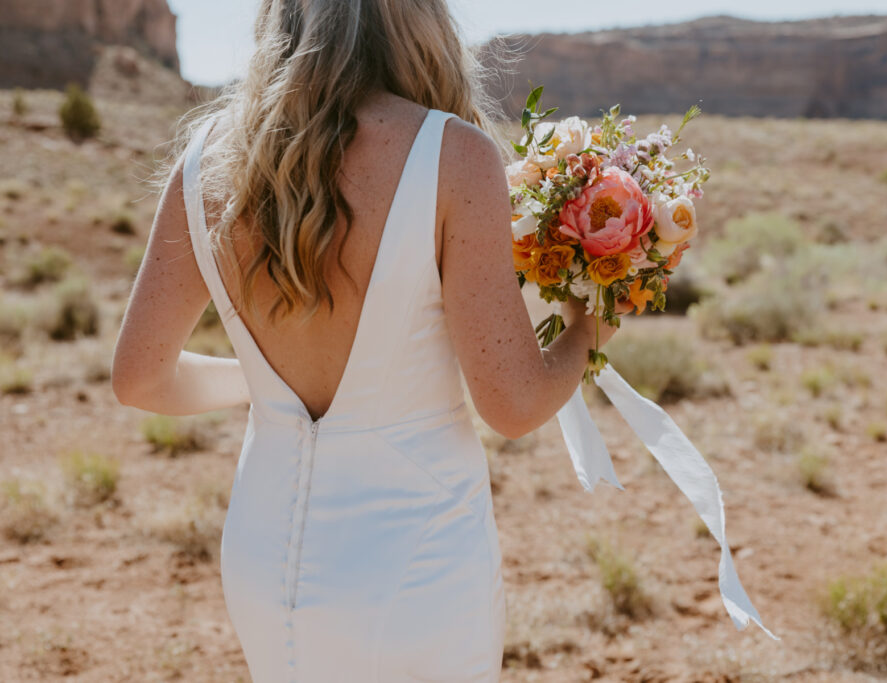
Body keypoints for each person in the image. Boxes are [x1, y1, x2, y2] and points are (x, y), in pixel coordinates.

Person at [111, 0, 629, 680]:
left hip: (265, 558)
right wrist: (592, 326)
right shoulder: (453, 156)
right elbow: (514, 403)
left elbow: (139, 378)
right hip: (416, 562)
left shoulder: (206, 162)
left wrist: (264, 380)